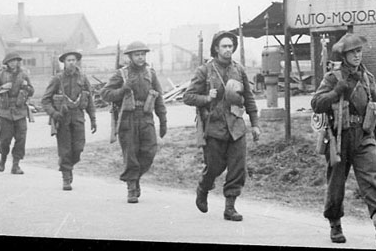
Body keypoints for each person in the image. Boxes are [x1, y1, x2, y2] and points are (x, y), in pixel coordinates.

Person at [311, 33, 376, 246]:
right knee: (336, 184)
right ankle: (335, 223)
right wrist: (336, 92)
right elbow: (316, 103)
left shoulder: (367, 77)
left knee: (372, 178)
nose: (357, 55)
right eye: (352, 52)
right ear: (344, 55)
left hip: (364, 136)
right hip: (339, 138)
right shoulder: (333, 78)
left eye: (359, 51)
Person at [183, 30, 261, 222]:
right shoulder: (205, 70)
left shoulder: (239, 70)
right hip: (214, 127)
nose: (228, 49)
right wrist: (206, 97)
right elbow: (187, 96)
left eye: (230, 46)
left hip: (236, 126)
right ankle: (203, 187)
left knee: (238, 167)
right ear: (216, 48)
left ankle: (230, 207)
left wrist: (255, 124)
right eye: (224, 46)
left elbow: (249, 97)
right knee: (214, 167)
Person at [100, 40, 167, 203]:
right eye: (137, 54)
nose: (140, 57)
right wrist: (123, 89)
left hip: (146, 117)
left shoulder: (151, 73)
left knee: (149, 151)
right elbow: (105, 93)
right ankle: (131, 186)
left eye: (143, 54)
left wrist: (163, 119)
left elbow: (158, 97)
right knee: (130, 153)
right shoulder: (121, 74)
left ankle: (135, 177)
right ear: (130, 57)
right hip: (128, 118)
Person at [41, 50, 96, 191]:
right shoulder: (57, 79)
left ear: (77, 61)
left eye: (74, 60)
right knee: (65, 149)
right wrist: (54, 113)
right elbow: (45, 100)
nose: (71, 62)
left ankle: (69, 166)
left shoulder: (83, 79)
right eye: (68, 60)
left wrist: (93, 119)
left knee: (78, 147)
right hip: (62, 118)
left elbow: (89, 100)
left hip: (78, 117)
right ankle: (66, 176)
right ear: (64, 63)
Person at [0, 51, 35, 174]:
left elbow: (32, 91)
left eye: (15, 61)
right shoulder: (0, 76)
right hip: (5, 112)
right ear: (7, 63)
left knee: (21, 139)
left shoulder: (24, 75)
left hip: (20, 111)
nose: (13, 63)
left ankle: (16, 165)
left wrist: (26, 86)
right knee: (5, 140)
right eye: (11, 61)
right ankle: (3, 159)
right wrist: (2, 88)